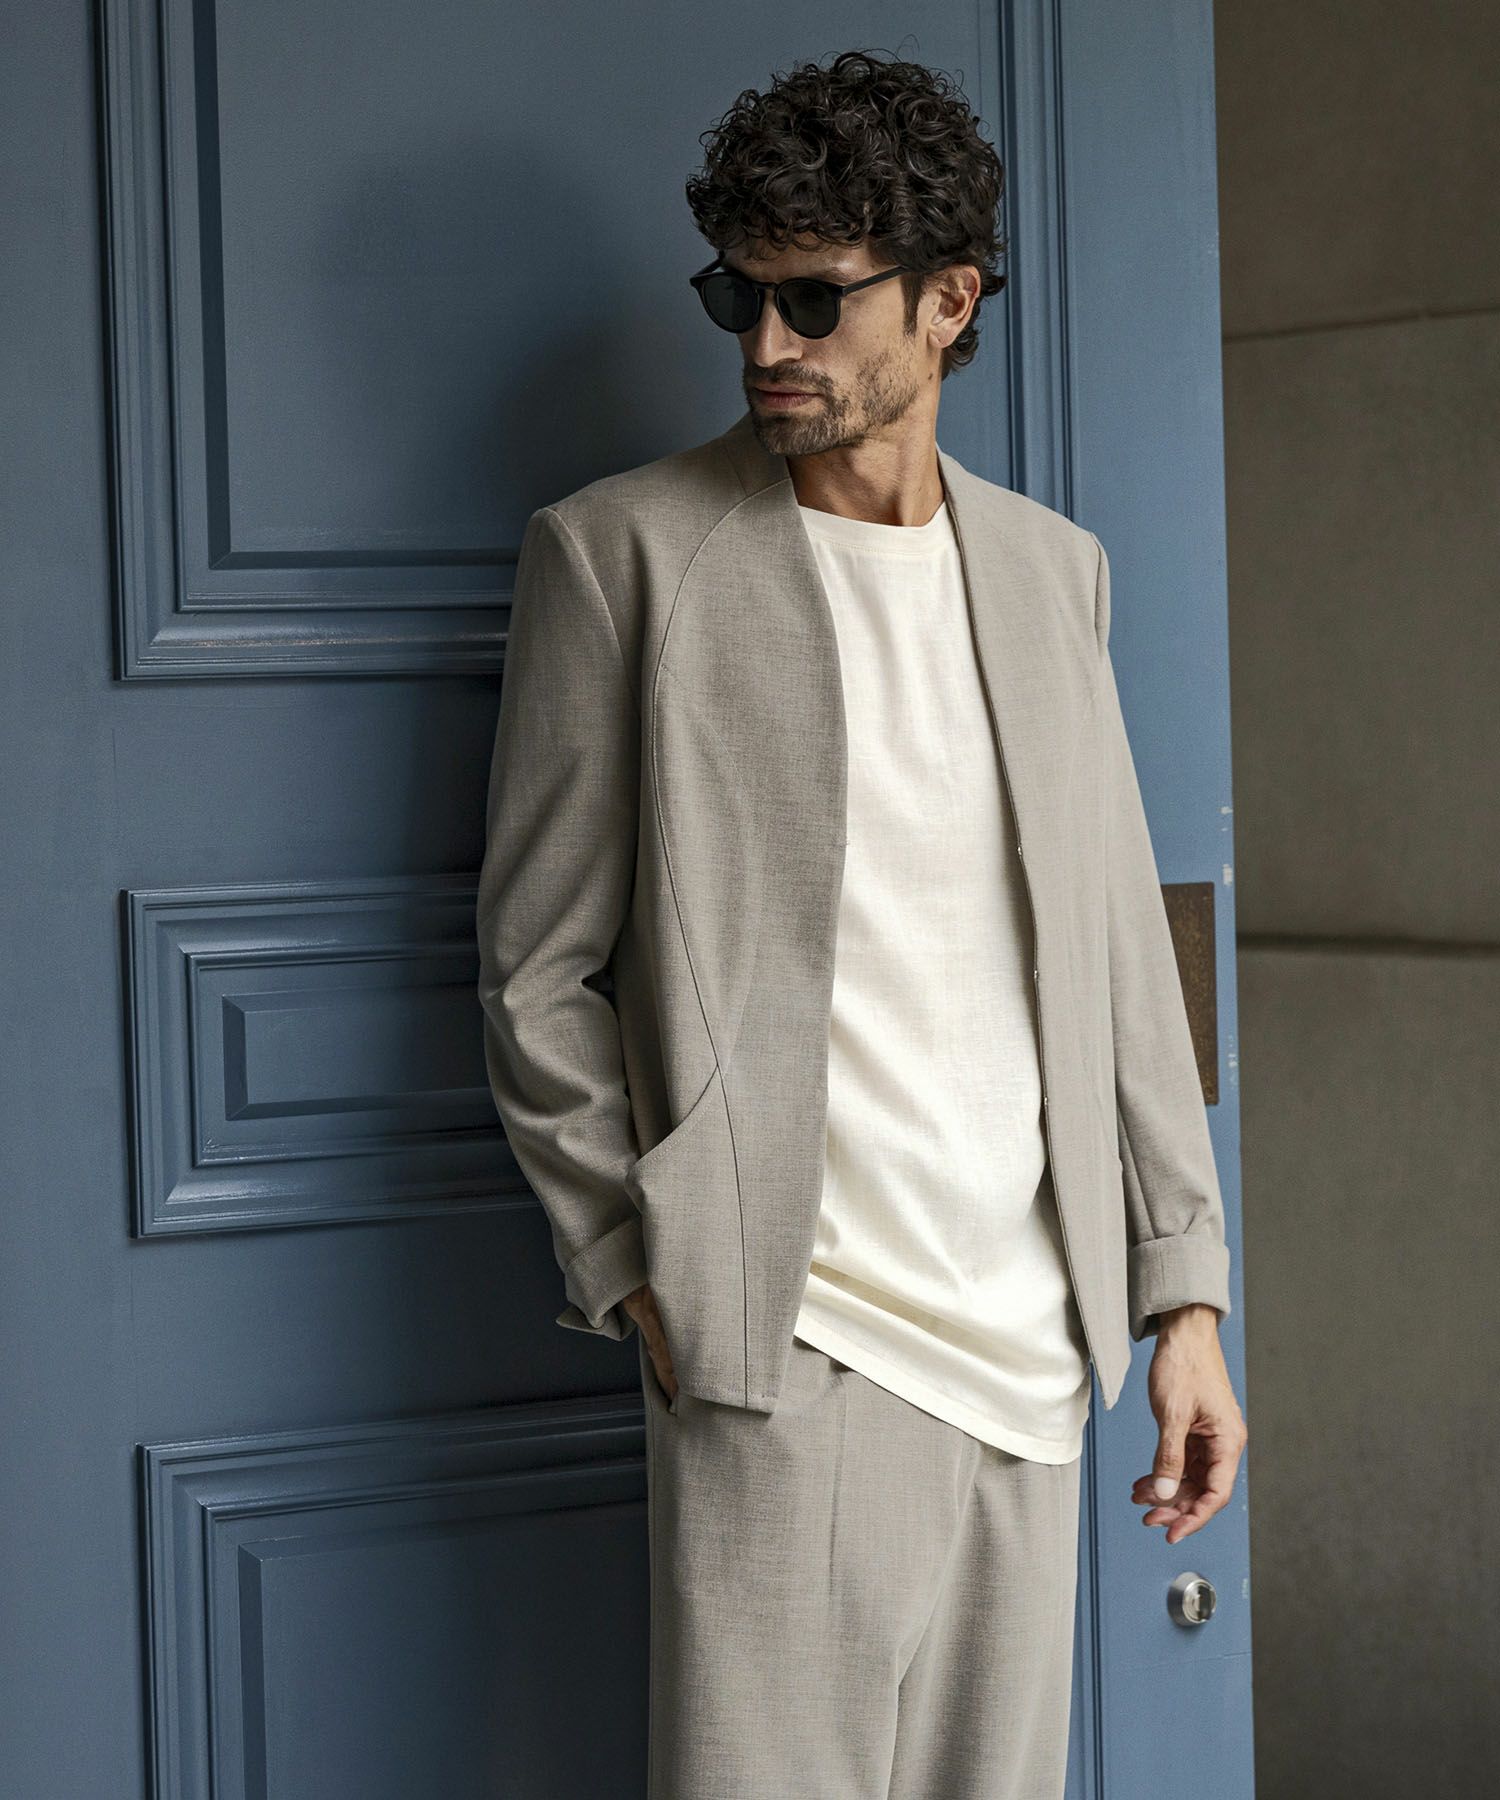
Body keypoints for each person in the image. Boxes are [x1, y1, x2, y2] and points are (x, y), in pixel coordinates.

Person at [476, 46, 1246, 1800]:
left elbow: (1118, 961)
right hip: (790, 1346)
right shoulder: (623, 558)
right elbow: (536, 967)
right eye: (738, 297)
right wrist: (635, 1262)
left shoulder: (1053, 574)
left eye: (815, 299)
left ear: (947, 302)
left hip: (1036, 1359)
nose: (767, 342)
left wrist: (1183, 1301)